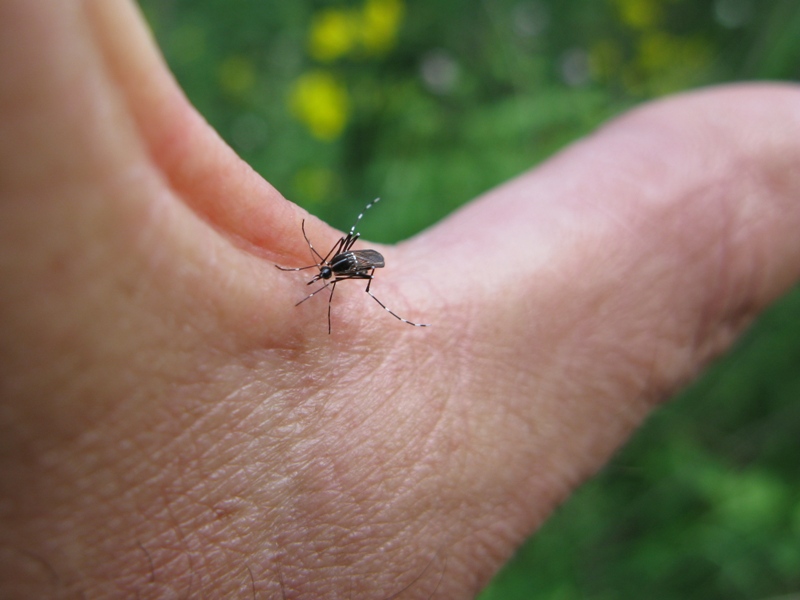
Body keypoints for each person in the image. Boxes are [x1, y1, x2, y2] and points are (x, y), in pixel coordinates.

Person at [1, 1, 799, 598]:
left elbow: (352, 262)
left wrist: (354, 283)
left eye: (331, 274)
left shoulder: (350, 273)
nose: (326, 275)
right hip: (351, 260)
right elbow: (335, 256)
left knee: (345, 264)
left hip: (364, 271)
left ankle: (389, 310)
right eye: (330, 273)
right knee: (330, 252)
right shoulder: (330, 263)